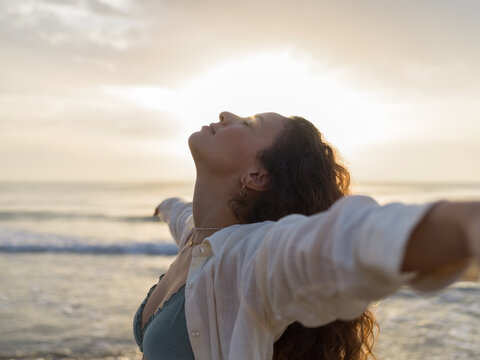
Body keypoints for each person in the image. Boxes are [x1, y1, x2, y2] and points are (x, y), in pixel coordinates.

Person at [134, 111, 480, 360]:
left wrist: (464, 223)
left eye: (248, 124)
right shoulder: (197, 234)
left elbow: (349, 241)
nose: (227, 115)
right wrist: (162, 206)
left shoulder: (252, 260)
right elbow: (177, 212)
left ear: (257, 175)